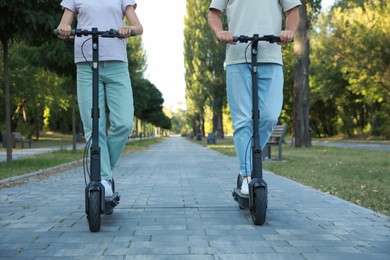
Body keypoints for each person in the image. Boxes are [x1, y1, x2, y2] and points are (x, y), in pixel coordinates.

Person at [208, 0, 300, 194]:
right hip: (237, 57)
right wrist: (220, 32)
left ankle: (246, 161)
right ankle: (247, 174)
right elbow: (214, 14)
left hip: (271, 55)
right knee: (242, 120)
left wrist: (289, 31)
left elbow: (292, 11)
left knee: (269, 116)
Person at [57, 0, 143, 196]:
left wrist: (128, 29)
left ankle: (104, 172)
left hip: (117, 63)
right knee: (93, 127)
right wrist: (64, 28)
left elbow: (138, 26)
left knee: (124, 123)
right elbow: (65, 24)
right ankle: (103, 179)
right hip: (86, 63)